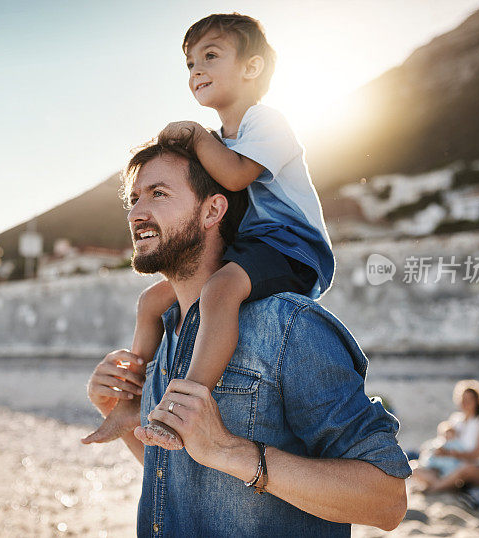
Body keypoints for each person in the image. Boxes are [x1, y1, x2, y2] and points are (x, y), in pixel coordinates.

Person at [85, 140, 410, 536]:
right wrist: (118, 413)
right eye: (133, 199)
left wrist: (230, 450)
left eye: (159, 193)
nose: (137, 212)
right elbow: (183, 479)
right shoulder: (165, 332)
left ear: (213, 211)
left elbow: (387, 500)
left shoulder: (290, 326)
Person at [84, 12, 336, 452]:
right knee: (150, 301)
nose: (196, 70)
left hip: (291, 246)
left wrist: (196, 135)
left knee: (220, 292)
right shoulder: (222, 138)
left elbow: (236, 178)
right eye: (189, 64)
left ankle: (185, 402)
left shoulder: (265, 122)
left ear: (251, 68)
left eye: (210, 56)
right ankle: (132, 397)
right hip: (251, 245)